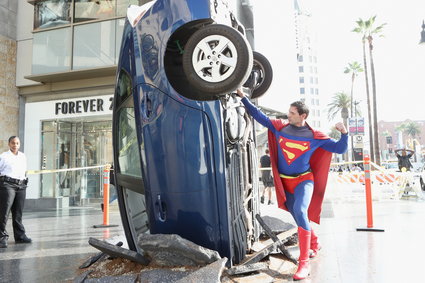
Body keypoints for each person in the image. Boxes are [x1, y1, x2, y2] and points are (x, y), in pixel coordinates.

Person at [237, 89, 348, 280]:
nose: (287, 115)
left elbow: (339, 148)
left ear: (302, 116)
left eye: (292, 113)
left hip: (304, 181)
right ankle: (314, 242)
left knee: (301, 211)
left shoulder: (315, 135)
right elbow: (258, 115)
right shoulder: (280, 127)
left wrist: (345, 133)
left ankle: (304, 263)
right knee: (297, 215)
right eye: (288, 112)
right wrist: (243, 98)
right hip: (284, 182)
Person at [0, 136, 32, 248]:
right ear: (9, 144)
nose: (15, 145)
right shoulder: (4, 156)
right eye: (13, 143)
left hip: (21, 185)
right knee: (4, 213)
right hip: (7, 185)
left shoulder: (23, 156)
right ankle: (2, 237)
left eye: (17, 143)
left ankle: (20, 236)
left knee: (18, 212)